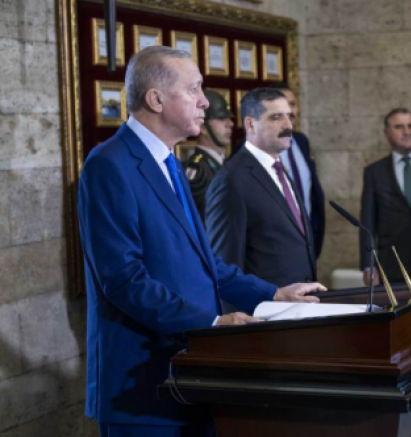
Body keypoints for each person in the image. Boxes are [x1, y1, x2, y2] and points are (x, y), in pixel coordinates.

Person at [77, 47, 324, 437]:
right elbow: (123, 280)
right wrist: (210, 323)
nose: (205, 102)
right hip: (142, 387)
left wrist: (273, 293)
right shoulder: (109, 165)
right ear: (156, 99)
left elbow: (206, 263)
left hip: (193, 375)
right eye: (193, 89)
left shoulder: (170, 162)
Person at [204, 88, 317, 290]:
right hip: (265, 306)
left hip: (301, 302)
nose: (288, 125)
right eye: (276, 117)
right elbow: (225, 267)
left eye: (289, 116)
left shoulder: (280, 170)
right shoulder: (231, 181)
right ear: (250, 124)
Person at [359, 108, 411, 284]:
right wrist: (368, 265)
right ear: (386, 133)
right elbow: (368, 222)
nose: (407, 132)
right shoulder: (374, 172)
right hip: (391, 264)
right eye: (399, 127)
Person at [270, 82, 326, 259]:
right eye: (284, 105)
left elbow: (312, 194)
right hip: (276, 248)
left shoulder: (302, 141)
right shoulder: (259, 146)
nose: (290, 111)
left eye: (293, 104)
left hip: (308, 244)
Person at [184, 89, 234, 220]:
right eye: (221, 118)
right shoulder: (198, 170)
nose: (230, 124)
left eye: (229, 118)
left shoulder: (227, 163)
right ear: (202, 127)